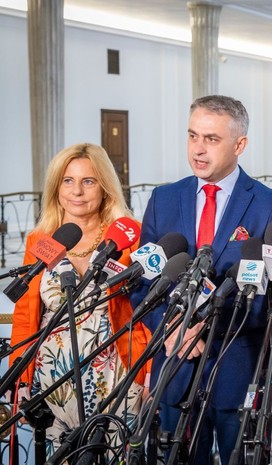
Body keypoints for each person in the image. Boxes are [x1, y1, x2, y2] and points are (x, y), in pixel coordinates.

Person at [135, 95, 272, 465]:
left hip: (235, 370)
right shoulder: (163, 199)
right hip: (174, 365)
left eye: (212, 139)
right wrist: (171, 329)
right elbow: (144, 283)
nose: (198, 149)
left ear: (239, 144)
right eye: (192, 136)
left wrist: (203, 329)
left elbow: (271, 296)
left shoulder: (269, 204)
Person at [9, 143, 151, 454]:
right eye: (67, 181)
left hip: (118, 375)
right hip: (53, 381)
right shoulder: (40, 239)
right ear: (56, 187)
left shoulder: (130, 238)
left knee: (116, 456)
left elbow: (148, 308)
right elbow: (25, 314)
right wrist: (19, 375)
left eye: (88, 181)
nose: (77, 191)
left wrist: (151, 368)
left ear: (105, 187)